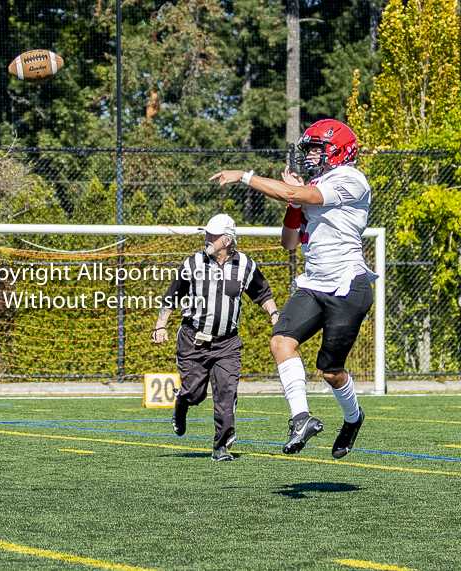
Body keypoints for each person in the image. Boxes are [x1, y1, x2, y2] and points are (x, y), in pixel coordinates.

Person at [209, 118, 374, 458]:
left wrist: (245, 176)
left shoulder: (351, 179)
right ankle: (301, 418)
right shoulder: (318, 184)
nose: (311, 155)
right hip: (314, 283)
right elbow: (288, 243)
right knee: (280, 342)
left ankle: (353, 418)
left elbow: (291, 190)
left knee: (331, 372)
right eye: (310, 149)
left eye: (318, 148)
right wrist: (294, 206)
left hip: (347, 284)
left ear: (339, 150)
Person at [152, 213, 279, 461]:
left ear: (228, 240)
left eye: (213, 235)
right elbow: (172, 297)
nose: (207, 238)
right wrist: (160, 326)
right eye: (207, 233)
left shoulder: (245, 265)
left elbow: (262, 293)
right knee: (193, 393)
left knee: (226, 393)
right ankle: (182, 403)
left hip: (227, 343)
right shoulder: (192, 264)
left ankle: (221, 446)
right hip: (193, 339)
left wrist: (275, 315)